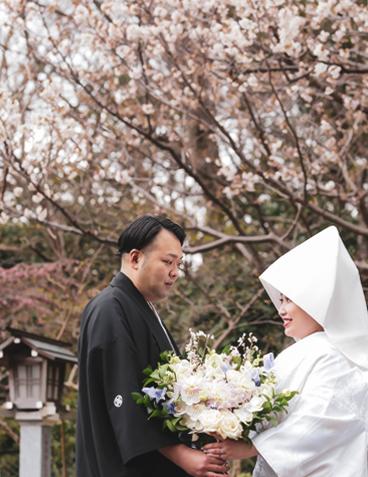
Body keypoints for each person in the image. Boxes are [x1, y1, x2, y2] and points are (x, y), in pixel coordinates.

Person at [203, 226, 368, 476]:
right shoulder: (302, 352)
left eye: (288, 300)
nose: (281, 310)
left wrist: (250, 446)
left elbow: (320, 420)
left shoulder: (337, 355)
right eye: (280, 300)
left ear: (317, 302)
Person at [77, 216, 228, 477]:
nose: (175, 272)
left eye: (178, 264)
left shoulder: (138, 306)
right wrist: (184, 457)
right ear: (135, 258)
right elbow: (124, 398)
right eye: (168, 262)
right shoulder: (110, 308)